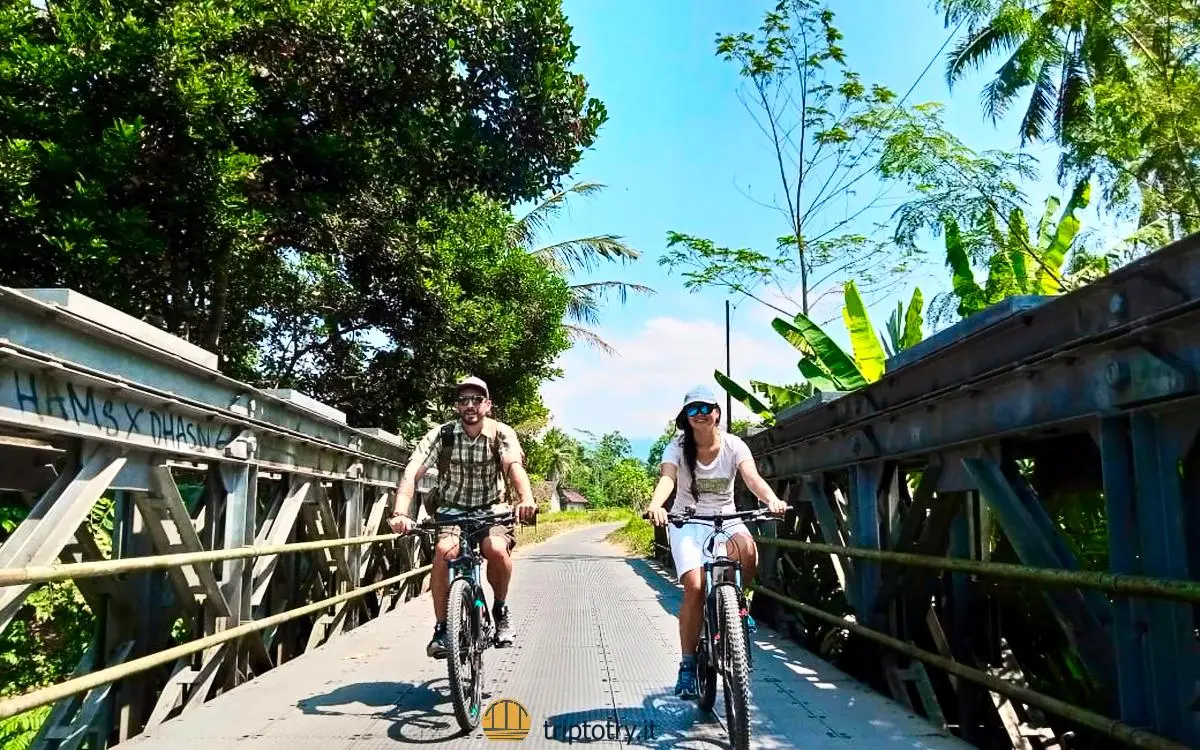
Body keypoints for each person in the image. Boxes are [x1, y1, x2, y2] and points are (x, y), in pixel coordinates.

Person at [644, 385, 788, 699]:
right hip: (687, 521)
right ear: (685, 417)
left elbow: (751, 477)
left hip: (726, 517)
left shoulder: (734, 445)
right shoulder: (677, 447)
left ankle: (739, 606)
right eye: (693, 410)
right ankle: (687, 664)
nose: (700, 414)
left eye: (706, 408)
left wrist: (772, 499)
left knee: (748, 551)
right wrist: (657, 505)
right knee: (695, 588)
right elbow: (668, 477)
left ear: (717, 413)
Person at [388, 376, 538, 658]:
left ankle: (501, 608)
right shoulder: (442, 435)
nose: (470, 405)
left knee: (494, 548)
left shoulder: (501, 433)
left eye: (477, 400)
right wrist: (400, 513)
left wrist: (526, 499)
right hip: (451, 510)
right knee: (445, 551)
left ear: (488, 405)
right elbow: (413, 470)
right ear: (457, 407)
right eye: (463, 401)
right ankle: (442, 628)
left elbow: (513, 466)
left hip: (492, 510)